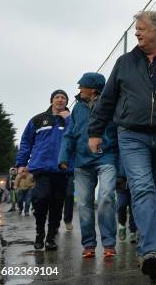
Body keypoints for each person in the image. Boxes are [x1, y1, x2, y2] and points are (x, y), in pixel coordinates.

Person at [88, 10, 156, 280]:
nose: (136, 32)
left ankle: (148, 249)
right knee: (143, 189)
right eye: (136, 28)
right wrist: (95, 131)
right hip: (132, 135)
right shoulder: (124, 62)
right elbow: (108, 99)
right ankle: (151, 253)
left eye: (142, 28)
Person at [59, 72, 118, 259]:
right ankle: (89, 244)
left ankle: (109, 243)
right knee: (84, 203)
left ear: (93, 89)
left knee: (106, 197)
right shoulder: (77, 108)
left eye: (82, 86)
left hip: (106, 157)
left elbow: (120, 132)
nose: (79, 89)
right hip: (82, 161)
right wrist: (64, 156)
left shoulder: (111, 105)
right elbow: (69, 133)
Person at [16, 89, 71, 251]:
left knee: (57, 204)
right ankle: (40, 232)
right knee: (41, 199)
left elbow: (76, 136)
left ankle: (50, 237)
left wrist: (68, 120)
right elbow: (26, 142)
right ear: (51, 100)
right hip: (41, 167)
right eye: (57, 97)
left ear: (66, 102)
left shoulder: (71, 120)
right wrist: (21, 164)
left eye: (63, 98)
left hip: (62, 168)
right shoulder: (38, 119)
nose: (60, 100)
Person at [116, 160, 137, 243]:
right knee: (121, 205)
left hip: (135, 181)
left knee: (134, 208)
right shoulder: (119, 147)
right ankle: (122, 226)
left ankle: (133, 231)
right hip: (120, 182)